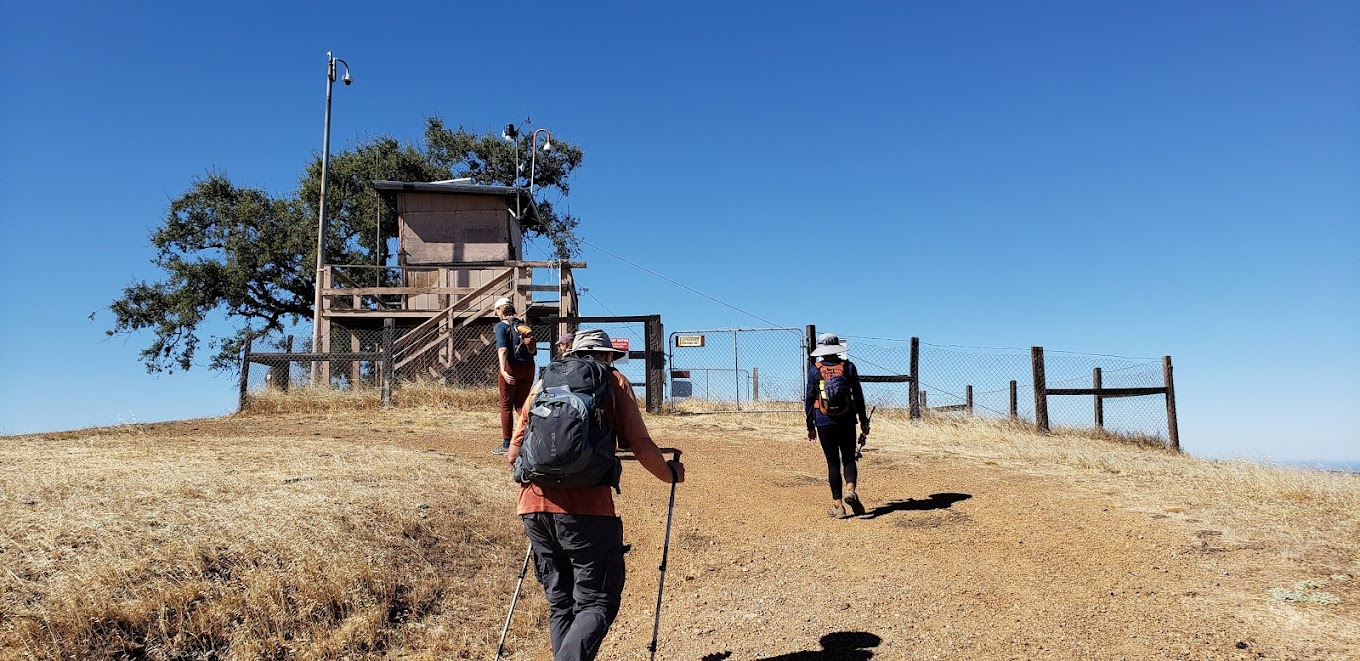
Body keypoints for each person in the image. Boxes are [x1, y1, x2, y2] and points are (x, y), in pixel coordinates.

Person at [506, 329, 685, 660]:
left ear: (572, 352)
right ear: (605, 355)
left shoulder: (543, 382)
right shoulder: (613, 381)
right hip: (587, 511)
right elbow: (640, 445)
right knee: (597, 602)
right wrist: (669, 474)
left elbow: (513, 454)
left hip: (533, 507)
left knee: (561, 602)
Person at [804, 333, 870, 519]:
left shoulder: (815, 370)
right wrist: (863, 421)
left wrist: (810, 426)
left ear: (822, 350)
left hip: (823, 421)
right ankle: (851, 490)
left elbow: (809, 399)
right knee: (849, 458)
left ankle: (838, 506)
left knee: (833, 463)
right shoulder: (848, 367)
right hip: (847, 419)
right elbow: (858, 395)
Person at [492, 297, 537, 455]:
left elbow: (502, 349)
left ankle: (507, 443)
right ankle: (533, 436)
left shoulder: (500, 326)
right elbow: (532, 350)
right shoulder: (523, 325)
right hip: (528, 367)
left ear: (500, 310)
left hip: (511, 366)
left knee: (506, 405)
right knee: (521, 406)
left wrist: (503, 370)